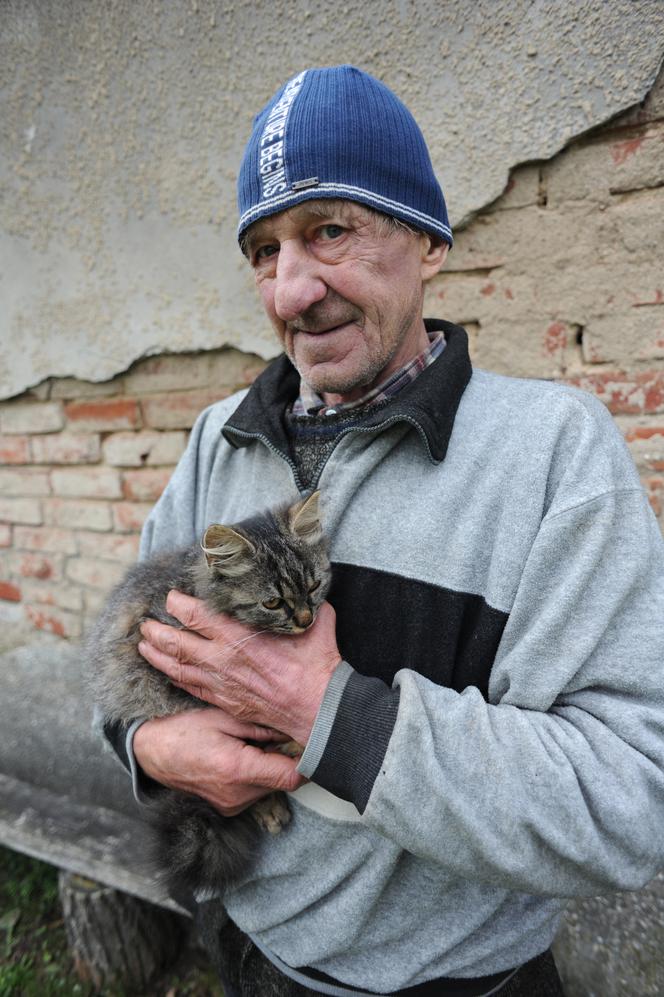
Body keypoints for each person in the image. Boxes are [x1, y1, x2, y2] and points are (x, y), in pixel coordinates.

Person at [104, 66, 664, 997]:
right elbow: (123, 672)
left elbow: (627, 804)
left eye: (329, 230)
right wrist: (149, 751)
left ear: (430, 242)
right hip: (246, 957)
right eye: (262, 250)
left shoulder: (555, 453)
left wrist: (329, 712)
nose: (290, 292)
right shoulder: (217, 440)